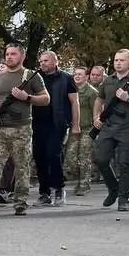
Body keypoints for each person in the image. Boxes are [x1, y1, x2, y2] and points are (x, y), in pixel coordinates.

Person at [0, 42, 48, 217]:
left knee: (21, 167)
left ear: (22, 56)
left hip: (21, 128)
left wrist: (27, 97)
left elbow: (45, 99)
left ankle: (21, 202)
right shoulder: (0, 77)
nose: (9, 56)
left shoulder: (30, 76)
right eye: (7, 54)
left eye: (13, 54)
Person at [92, 49, 129, 212]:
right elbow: (99, 99)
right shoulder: (108, 80)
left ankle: (123, 198)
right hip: (108, 127)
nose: (118, 63)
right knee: (100, 159)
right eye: (116, 60)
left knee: (124, 163)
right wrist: (96, 117)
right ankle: (113, 188)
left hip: (128, 128)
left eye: (122, 60)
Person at [33, 51, 79, 206]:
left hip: (57, 123)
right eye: (41, 61)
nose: (42, 63)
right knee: (39, 157)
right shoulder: (36, 78)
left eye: (46, 60)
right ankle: (44, 193)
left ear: (55, 62)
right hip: (37, 123)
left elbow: (74, 102)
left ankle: (59, 188)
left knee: (53, 155)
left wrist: (75, 124)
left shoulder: (66, 78)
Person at [63, 67, 99, 196]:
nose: (77, 76)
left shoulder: (91, 92)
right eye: (75, 74)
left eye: (80, 74)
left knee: (84, 157)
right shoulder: (71, 90)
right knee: (71, 159)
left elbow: (97, 110)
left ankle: (84, 184)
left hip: (87, 128)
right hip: (74, 128)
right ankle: (79, 180)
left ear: (86, 77)